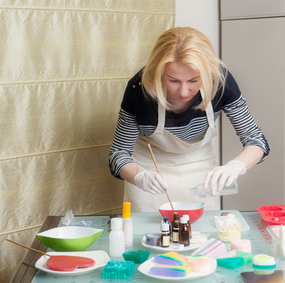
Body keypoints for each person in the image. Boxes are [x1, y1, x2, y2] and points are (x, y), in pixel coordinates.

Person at [109, 27, 269, 212]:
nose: (184, 92)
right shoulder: (140, 88)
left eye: (194, 80)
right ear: (159, 71)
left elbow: (257, 140)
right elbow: (118, 153)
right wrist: (139, 176)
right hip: (149, 171)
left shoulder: (220, 81)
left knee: (202, 237)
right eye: (173, 80)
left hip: (200, 172)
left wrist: (235, 167)